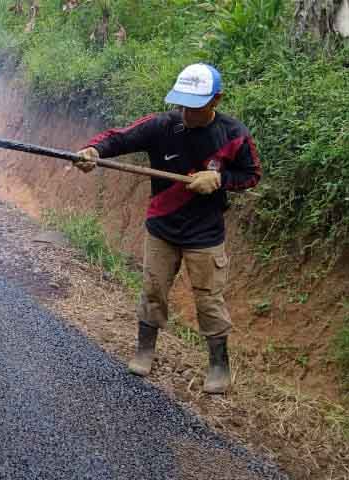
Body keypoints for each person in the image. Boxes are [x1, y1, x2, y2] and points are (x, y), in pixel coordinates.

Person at [75, 64, 261, 394]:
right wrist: (93, 151)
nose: (186, 111)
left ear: (216, 99)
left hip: (205, 235)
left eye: (195, 104)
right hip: (162, 227)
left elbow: (251, 175)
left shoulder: (233, 135)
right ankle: (145, 350)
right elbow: (120, 138)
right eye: (182, 103)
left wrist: (220, 179)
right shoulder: (162, 126)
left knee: (209, 300)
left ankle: (219, 366)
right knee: (153, 289)